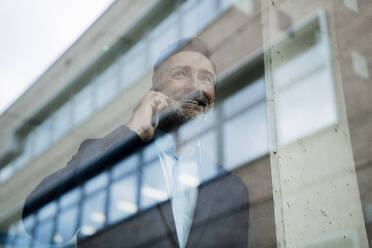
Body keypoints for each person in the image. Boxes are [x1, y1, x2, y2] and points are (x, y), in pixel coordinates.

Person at [22, 38, 249, 248]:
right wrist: (131, 132)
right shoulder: (107, 155)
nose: (195, 86)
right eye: (180, 74)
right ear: (155, 90)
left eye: (206, 78)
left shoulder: (232, 188)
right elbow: (38, 224)